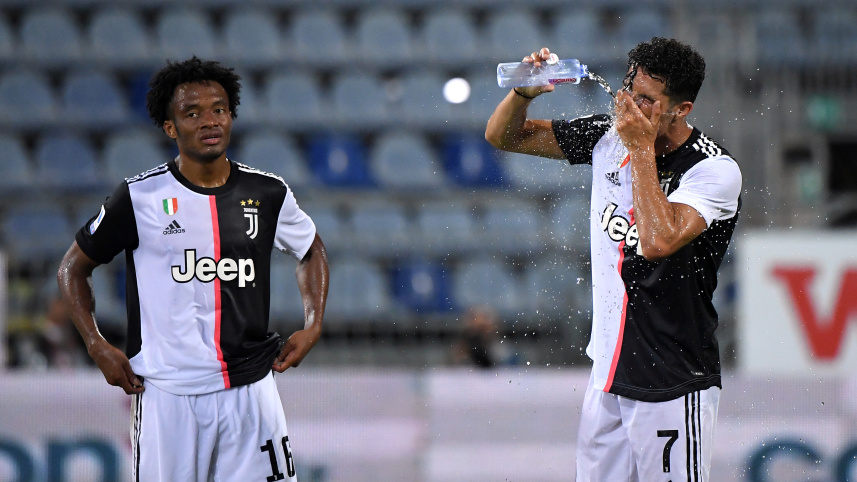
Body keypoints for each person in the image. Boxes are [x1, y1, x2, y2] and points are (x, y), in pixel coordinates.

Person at [57, 57, 329, 482]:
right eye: (192, 112)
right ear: (170, 128)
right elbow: (73, 268)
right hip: (168, 396)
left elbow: (311, 248)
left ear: (232, 116)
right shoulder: (140, 196)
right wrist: (95, 344)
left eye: (219, 109)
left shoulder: (268, 192)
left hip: (251, 392)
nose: (209, 121)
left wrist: (313, 323)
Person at [486, 38, 741, 481]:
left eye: (647, 100)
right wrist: (523, 92)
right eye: (629, 88)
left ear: (681, 110)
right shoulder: (608, 134)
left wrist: (640, 150)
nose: (628, 104)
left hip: (673, 379)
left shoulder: (713, 170)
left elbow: (657, 240)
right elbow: (504, 136)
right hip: (607, 371)